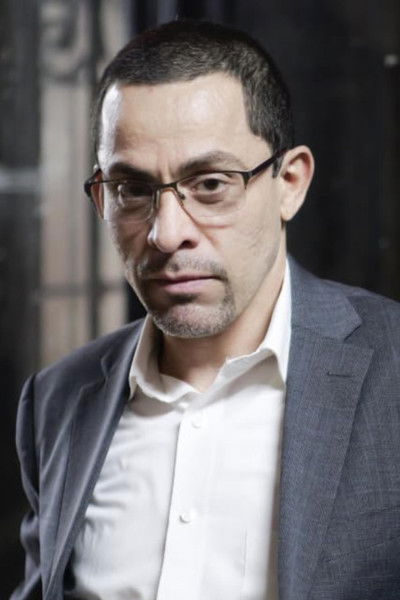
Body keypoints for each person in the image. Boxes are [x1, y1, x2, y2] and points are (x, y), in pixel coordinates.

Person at [12, 19, 400, 600]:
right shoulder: (57, 399)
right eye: (132, 190)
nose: (167, 234)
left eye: (211, 184)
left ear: (290, 182)